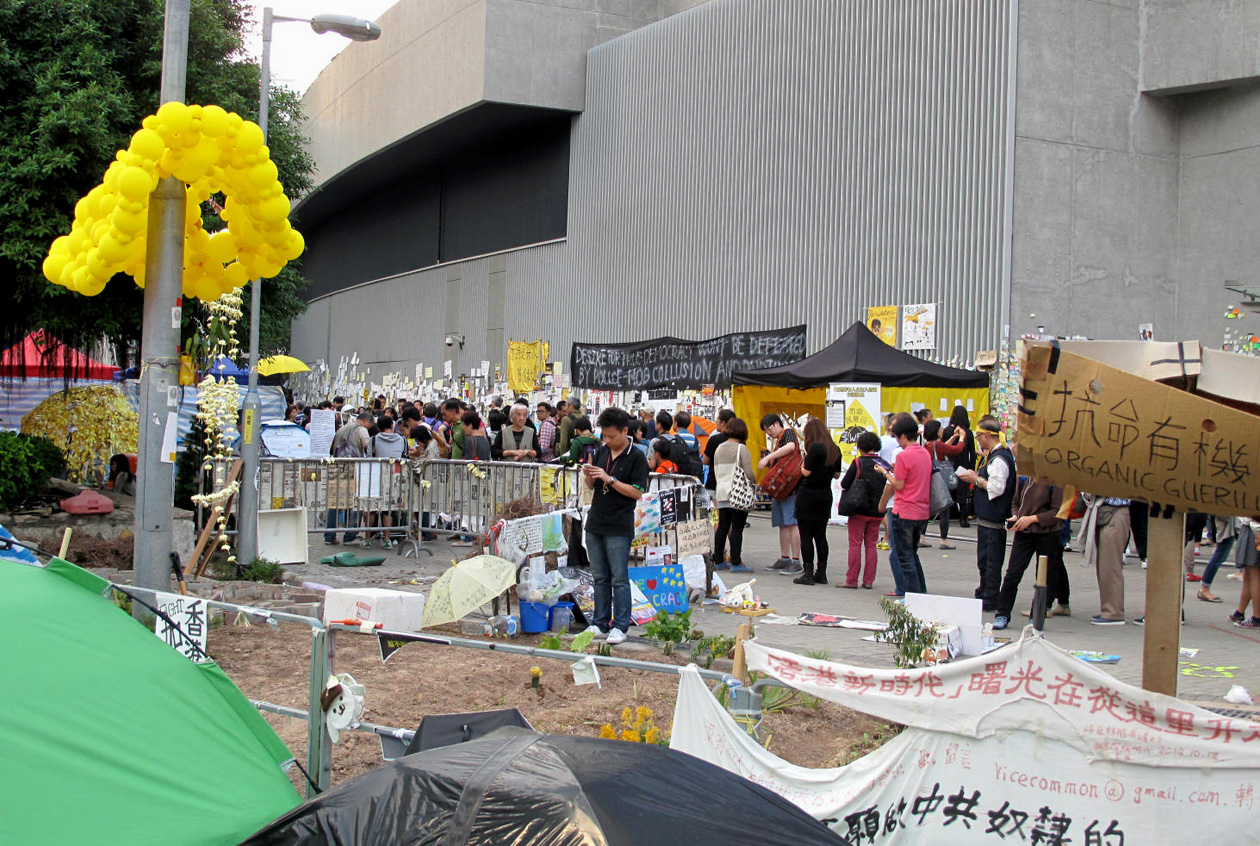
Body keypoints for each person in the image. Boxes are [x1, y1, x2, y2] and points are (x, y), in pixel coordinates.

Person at [580, 407, 649, 645]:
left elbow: (637, 492)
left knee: (619, 578)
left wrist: (610, 479)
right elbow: (592, 486)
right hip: (595, 521)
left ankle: (620, 625)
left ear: (625, 431)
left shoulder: (636, 456)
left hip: (619, 524)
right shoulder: (601, 451)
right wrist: (589, 474)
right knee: (599, 576)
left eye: (612, 436)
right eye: (605, 436)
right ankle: (599, 623)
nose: (607, 440)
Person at [991, 478, 1067, 630]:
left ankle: (1036, 617)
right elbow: (1015, 503)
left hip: (1047, 534)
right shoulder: (1024, 477)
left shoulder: (1055, 480)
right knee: (1012, 574)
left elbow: (1058, 512)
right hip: (1024, 533)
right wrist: (1016, 516)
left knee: (1044, 578)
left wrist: (1033, 519)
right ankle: (1002, 614)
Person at [956, 417, 1014, 611]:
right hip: (987, 518)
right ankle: (984, 592)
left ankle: (990, 597)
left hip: (993, 519)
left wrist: (976, 479)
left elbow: (996, 488)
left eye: (979, 436)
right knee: (985, 561)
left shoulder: (999, 459)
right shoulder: (994, 455)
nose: (978, 439)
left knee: (990, 561)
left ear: (987, 436)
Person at [873, 412, 930, 594]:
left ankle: (912, 595)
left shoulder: (903, 456)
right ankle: (920, 592)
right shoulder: (925, 453)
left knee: (904, 557)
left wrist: (885, 472)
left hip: (904, 510)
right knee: (912, 554)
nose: (897, 441)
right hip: (922, 510)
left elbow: (898, 484)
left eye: (897, 437)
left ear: (903, 436)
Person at [793, 418, 843, 585]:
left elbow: (806, 472)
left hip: (808, 495)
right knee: (820, 536)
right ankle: (821, 573)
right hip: (825, 495)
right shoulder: (834, 448)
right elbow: (836, 475)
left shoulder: (815, 447)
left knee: (806, 535)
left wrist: (803, 462)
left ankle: (807, 573)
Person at [838, 431, 885, 589]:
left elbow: (844, 483)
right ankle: (869, 581)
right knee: (871, 545)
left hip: (858, 508)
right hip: (877, 510)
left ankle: (851, 580)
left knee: (855, 544)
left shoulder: (858, 463)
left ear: (860, 447)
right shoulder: (883, 464)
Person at [758, 414, 802, 575]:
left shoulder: (788, 433)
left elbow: (790, 447)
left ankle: (796, 561)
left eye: (769, 429)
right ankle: (785, 558)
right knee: (783, 524)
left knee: (792, 524)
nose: (768, 433)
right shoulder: (778, 441)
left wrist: (769, 457)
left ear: (777, 424)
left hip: (790, 488)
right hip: (781, 489)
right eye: (766, 431)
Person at [712, 417, 755, 574]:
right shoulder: (741, 449)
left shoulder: (719, 448)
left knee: (723, 526)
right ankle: (736, 562)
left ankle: (718, 560)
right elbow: (748, 472)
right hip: (738, 493)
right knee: (737, 527)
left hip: (722, 491)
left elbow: (716, 471)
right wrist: (754, 482)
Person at [1080, 494, 1131, 625]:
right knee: (1104, 565)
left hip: (1116, 511)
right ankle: (1108, 609)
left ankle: (1113, 612)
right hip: (1106, 510)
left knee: (1111, 565)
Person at [325, 411, 373, 544]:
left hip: (338, 467)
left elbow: (332, 448)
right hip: (354, 469)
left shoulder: (342, 428)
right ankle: (350, 535)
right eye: (370, 425)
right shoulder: (361, 430)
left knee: (335, 502)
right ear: (366, 421)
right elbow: (368, 447)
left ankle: (329, 536)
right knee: (355, 503)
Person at [363, 415, 407, 549]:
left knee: (371, 508)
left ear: (378, 427)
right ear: (392, 426)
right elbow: (405, 457)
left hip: (376, 476)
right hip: (395, 477)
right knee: (388, 509)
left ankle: (367, 539)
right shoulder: (402, 439)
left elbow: (369, 457)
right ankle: (387, 539)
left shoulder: (374, 439)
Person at [923, 419, 965, 549]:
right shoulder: (938, 445)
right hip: (940, 479)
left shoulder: (928, 444)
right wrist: (962, 438)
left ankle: (922, 537)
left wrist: (953, 437)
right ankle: (943, 540)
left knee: (927, 509)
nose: (942, 431)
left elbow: (943, 447)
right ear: (936, 432)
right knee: (944, 508)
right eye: (940, 429)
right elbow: (956, 450)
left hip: (929, 478)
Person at [942, 406, 977, 527]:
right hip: (963, 465)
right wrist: (972, 467)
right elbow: (972, 452)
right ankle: (963, 518)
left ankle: (946, 517)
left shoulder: (947, 431)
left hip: (949, 465)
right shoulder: (968, 432)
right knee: (963, 494)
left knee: (948, 493)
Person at [1198, 515, 1236, 603]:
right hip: (1225, 523)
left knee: (1220, 556)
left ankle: (1205, 587)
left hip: (1227, 523)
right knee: (1219, 556)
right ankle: (1204, 588)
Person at [1230, 519, 1260, 628]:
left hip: (1254, 529)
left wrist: (1257, 532)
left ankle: (1257, 617)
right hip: (1251, 528)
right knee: (1248, 574)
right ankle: (1239, 612)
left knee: (1254, 573)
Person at [703, 409, 735, 493]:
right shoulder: (740, 441)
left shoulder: (714, 439)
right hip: (733, 485)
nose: (716, 423)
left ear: (723, 423)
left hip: (714, 482)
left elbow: (705, 461)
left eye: (717, 420)